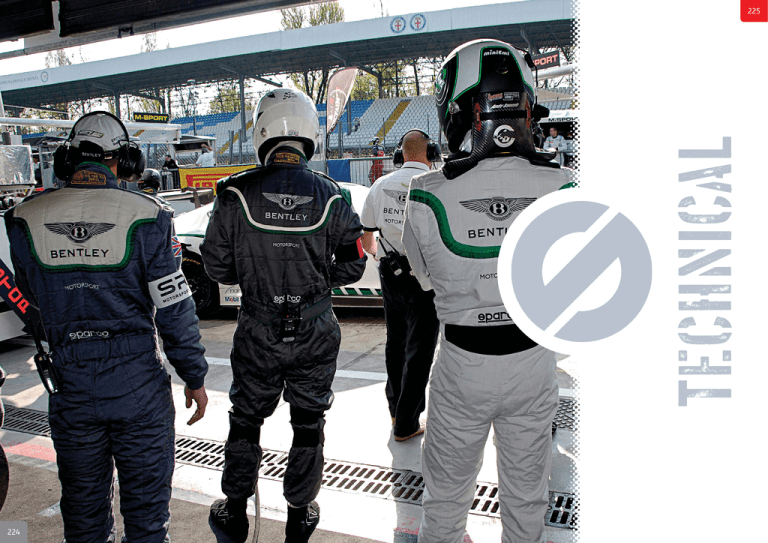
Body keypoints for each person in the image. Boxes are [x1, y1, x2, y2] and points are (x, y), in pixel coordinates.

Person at [4, 111, 209, 543]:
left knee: (84, 518)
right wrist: (193, 375)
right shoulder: (149, 214)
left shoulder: (23, 217)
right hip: (138, 383)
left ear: (67, 159)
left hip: (69, 382)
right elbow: (174, 308)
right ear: (127, 160)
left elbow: (32, 298)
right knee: (147, 518)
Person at [401, 40, 574, 543]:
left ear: (460, 109)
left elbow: (424, 277)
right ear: (525, 105)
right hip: (533, 362)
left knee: (445, 501)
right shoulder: (565, 185)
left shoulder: (426, 193)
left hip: (462, 363)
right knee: (527, 502)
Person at [200, 88, 366, 543]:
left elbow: (216, 266)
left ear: (261, 133)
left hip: (257, 326)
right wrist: (316, 279)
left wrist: (254, 276)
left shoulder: (232, 192)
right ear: (310, 134)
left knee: (245, 419)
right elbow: (354, 265)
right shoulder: (333, 196)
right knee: (308, 424)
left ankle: (235, 513)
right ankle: (298, 516)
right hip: (315, 328)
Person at [359, 129, 439, 442]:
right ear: (430, 154)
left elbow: (367, 236)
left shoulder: (380, 185)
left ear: (399, 154)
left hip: (391, 272)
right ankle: (406, 423)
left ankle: (395, 410)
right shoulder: (436, 184)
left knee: (396, 341)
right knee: (421, 348)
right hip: (427, 276)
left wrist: (380, 256)